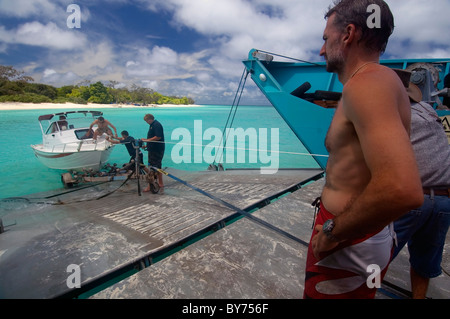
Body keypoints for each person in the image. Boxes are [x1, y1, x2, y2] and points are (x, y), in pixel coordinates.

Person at [304, 0, 423, 299]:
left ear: (348, 34)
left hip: (347, 241)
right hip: (359, 235)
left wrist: (332, 233)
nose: (321, 50)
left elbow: (402, 189)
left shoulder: (367, 83)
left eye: (325, 38)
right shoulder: (377, 82)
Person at [391, 83, 450, 299]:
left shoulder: (394, 114)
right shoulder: (429, 110)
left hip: (410, 199)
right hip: (444, 201)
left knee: (374, 258)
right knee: (424, 265)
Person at [141, 114, 165, 193]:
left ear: (150, 119)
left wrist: (146, 140)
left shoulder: (156, 125)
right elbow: (152, 137)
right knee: (158, 166)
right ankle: (160, 183)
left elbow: (158, 137)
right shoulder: (152, 125)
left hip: (156, 150)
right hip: (154, 148)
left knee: (153, 167)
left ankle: (150, 186)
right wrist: (146, 145)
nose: (146, 122)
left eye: (146, 121)